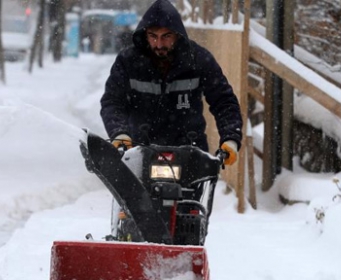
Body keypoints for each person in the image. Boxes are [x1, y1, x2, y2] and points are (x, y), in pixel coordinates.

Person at [99, 0, 243, 166]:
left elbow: (224, 101)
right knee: (132, 192)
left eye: (166, 36)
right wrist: (119, 133)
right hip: (140, 152)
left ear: (177, 34)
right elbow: (112, 101)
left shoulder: (198, 60)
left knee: (193, 188)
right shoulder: (128, 62)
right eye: (153, 36)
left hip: (190, 153)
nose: (159, 44)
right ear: (145, 34)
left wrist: (231, 138)